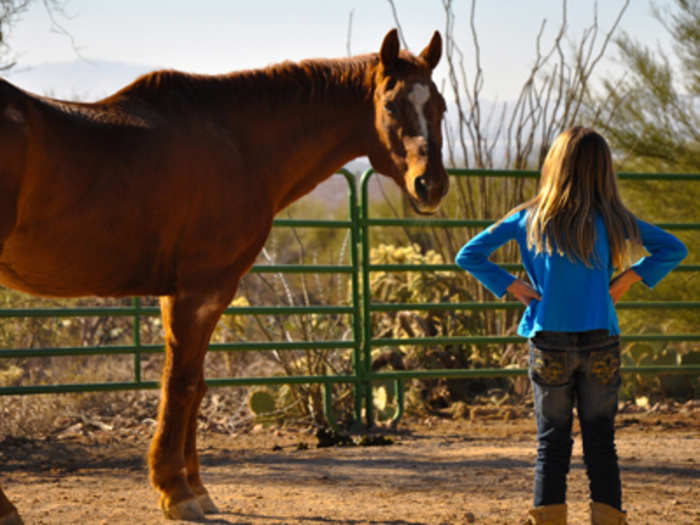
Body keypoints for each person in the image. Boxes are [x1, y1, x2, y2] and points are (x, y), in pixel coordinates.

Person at [454, 126, 688, 525]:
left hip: (549, 341)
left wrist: (515, 287)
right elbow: (674, 248)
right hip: (601, 340)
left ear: (555, 165)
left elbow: (468, 254)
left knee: (552, 442)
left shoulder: (527, 218)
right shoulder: (614, 219)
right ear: (603, 171)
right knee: (601, 442)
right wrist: (626, 279)